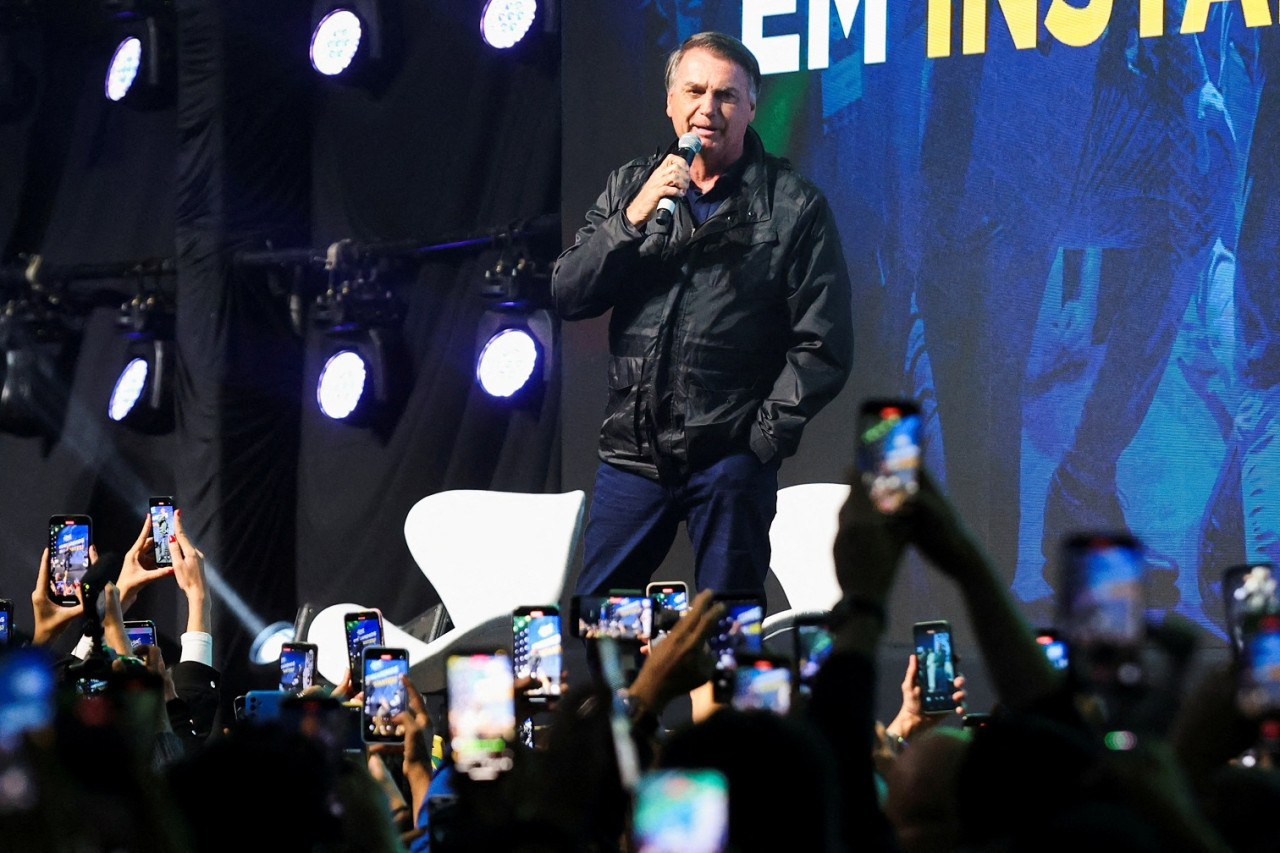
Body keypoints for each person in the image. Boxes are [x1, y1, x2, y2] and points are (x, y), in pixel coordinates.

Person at [552, 31, 854, 598]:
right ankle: (629, 692)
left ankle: (715, 691)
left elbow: (823, 342)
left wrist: (759, 441)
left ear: (751, 107)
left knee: (727, 638)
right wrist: (631, 218)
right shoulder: (629, 187)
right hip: (632, 457)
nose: (707, 109)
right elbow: (570, 294)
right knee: (602, 623)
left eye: (726, 96)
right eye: (694, 91)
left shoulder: (793, 206)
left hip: (729, 464)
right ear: (670, 101)